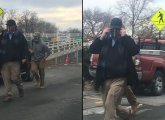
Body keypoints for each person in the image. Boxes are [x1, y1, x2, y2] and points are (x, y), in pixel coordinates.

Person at [89, 18, 139, 120]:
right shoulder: (105, 41)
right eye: (113, 29)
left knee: (111, 99)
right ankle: (127, 114)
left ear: (121, 29)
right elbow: (92, 49)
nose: (115, 31)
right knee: (108, 105)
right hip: (105, 78)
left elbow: (134, 50)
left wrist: (125, 36)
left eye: (117, 29)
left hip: (120, 78)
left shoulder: (125, 41)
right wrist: (102, 36)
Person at [0, 19, 28, 102]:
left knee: (15, 78)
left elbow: (25, 46)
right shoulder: (3, 34)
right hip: (4, 61)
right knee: (6, 78)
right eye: (7, 26)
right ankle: (9, 95)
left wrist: (24, 57)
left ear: (14, 26)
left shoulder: (19, 35)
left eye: (10, 26)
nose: (9, 27)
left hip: (15, 61)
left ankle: (20, 88)